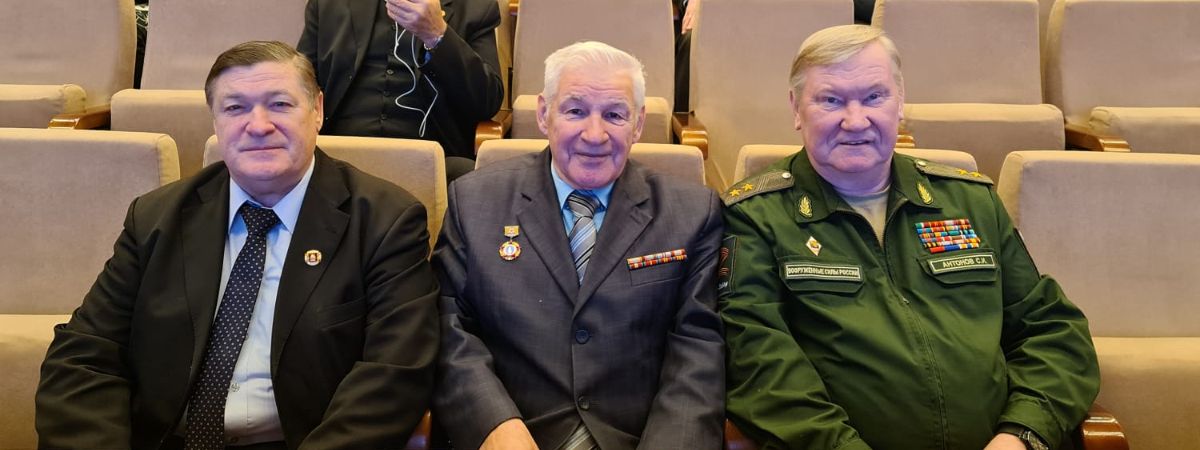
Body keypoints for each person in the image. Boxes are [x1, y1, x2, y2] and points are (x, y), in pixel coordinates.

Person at [35, 41, 439, 449]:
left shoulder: (384, 221)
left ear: (317, 110)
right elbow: (85, 354)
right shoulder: (157, 217)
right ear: (215, 121)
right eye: (235, 108)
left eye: (279, 104)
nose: (258, 125)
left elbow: (394, 373)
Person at [719, 25, 1099, 450]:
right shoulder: (754, 216)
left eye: (874, 97)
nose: (855, 120)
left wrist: (1022, 434)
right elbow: (760, 366)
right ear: (796, 109)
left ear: (900, 102)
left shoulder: (969, 202)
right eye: (831, 100)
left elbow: (1052, 332)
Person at [433, 41, 725, 450]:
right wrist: (494, 425)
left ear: (638, 123)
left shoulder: (691, 212)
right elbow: (449, 327)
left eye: (614, 115)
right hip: (514, 435)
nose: (595, 134)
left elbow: (698, 351)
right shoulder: (474, 201)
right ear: (543, 114)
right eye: (575, 111)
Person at [298, 0, 504, 180]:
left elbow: (487, 102)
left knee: (465, 174)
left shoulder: (474, 6)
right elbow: (300, 84)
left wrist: (436, 34)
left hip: (432, 155)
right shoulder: (328, 3)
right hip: (340, 150)